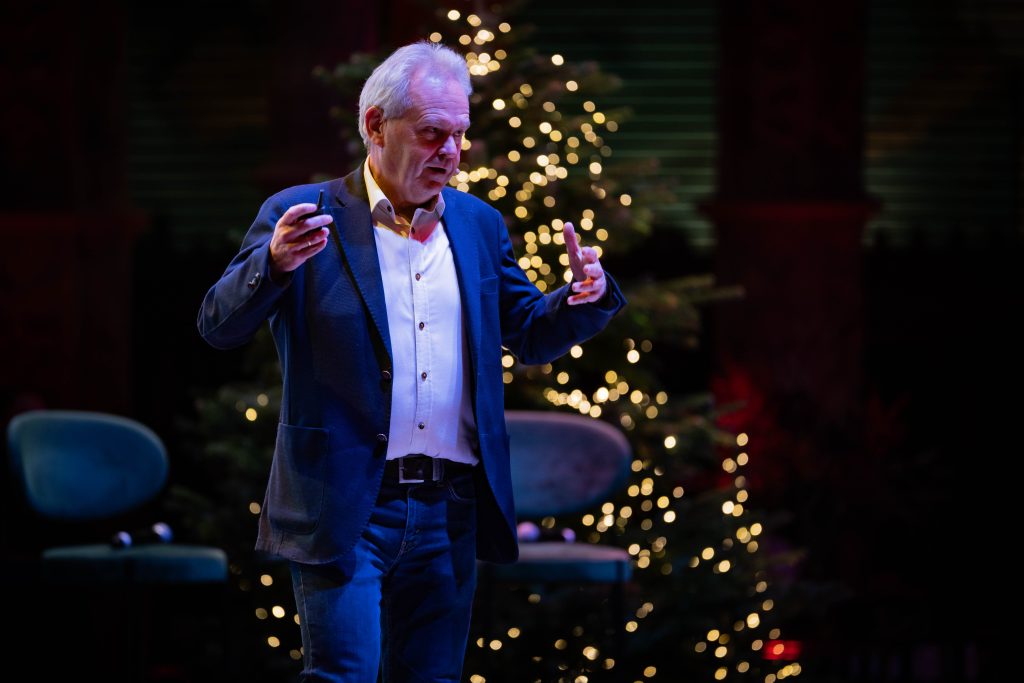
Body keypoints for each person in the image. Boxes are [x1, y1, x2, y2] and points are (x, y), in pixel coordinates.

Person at [198, 40, 626, 682]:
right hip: (346, 502)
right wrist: (275, 264)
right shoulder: (304, 215)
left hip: (450, 508)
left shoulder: (478, 225)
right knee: (343, 675)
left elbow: (530, 334)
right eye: (432, 133)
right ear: (376, 125)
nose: (450, 151)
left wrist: (582, 297)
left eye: (459, 134)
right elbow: (218, 327)